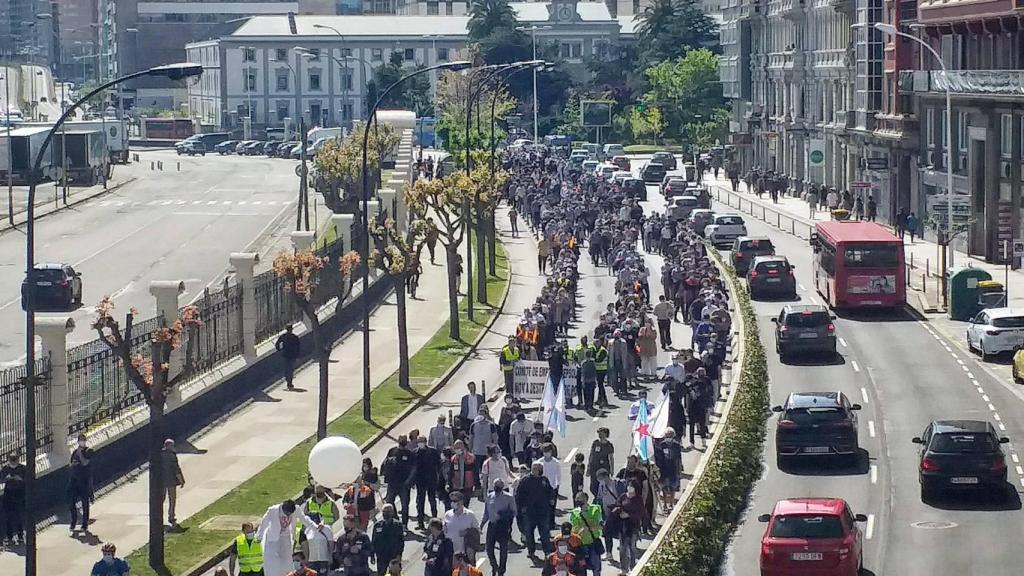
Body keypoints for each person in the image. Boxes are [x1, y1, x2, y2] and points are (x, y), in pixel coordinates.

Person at [256, 499, 321, 576]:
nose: (288, 515)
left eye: (290, 514)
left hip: (285, 536)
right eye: (287, 513)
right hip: (272, 538)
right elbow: (264, 522)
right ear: (283, 508)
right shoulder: (273, 510)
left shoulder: (296, 509)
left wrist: (315, 527)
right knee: (272, 562)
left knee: (287, 560)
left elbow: (304, 519)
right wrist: (259, 536)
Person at [515, 462, 554, 558]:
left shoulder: (544, 480)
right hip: (530, 512)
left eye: (538, 468)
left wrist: (551, 499)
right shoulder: (525, 480)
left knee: (544, 533)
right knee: (529, 533)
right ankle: (531, 551)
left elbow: (550, 491)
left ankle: (547, 552)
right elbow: (519, 496)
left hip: (543, 512)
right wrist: (521, 508)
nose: (536, 470)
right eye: (535, 468)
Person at [480, 478, 516, 576]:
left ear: (503, 486)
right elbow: (486, 513)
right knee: (489, 549)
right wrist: (481, 525)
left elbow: (514, 512)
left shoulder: (509, 497)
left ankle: (501, 570)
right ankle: (494, 566)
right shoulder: (490, 497)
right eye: (495, 484)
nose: (497, 487)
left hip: (503, 526)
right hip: (492, 526)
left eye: (499, 485)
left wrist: (503, 514)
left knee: (503, 549)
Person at [612, 484, 646, 574]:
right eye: (629, 486)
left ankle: (633, 567)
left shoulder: (638, 499)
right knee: (623, 548)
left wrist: (629, 515)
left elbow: (641, 512)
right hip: (622, 526)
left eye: (632, 486)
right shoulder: (623, 496)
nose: (630, 488)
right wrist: (619, 512)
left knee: (632, 547)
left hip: (633, 526)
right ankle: (623, 568)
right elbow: (617, 505)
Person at [383, 435, 416, 526]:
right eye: (401, 439)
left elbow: (413, 468)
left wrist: (409, 481)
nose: (402, 441)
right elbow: (385, 463)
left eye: (404, 439)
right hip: (392, 483)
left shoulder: (409, 454)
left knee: (404, 505)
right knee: (389, 502)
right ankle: (395, 518)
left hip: (404, 484)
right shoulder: (392, 451)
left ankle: (404, 524)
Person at [569, 492, 604, 576]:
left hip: (593, 543)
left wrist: (589, 528)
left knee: (596, 568)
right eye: (577, 499)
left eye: (580, 499)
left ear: (585, 499)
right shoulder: (574, 512)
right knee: (581, 569)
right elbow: (573, 530)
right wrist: (579, 532)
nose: (578, 501)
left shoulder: (596, 509)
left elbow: (601, 526)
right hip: (580, 545)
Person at [443, 491, 480, 563]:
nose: (453, 503)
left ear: (461, 501)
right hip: (451, 553)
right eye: (452, 501)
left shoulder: (469, 515)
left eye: (455, 501)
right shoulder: (448, 514)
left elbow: (477, 531)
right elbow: (444, 530)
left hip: (465, 552)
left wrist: (467, 532)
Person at [414, 435, 442, 529]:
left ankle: (434, 521)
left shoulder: (433, 452)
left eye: (421, 441)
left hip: (431, 480)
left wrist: (439, 479)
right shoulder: (415, 452)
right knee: (420, 502)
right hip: (420, 481)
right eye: (419, 441)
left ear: (425, 442)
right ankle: (420, 522)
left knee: (432, 500)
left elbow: (439, 465)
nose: (420, 443)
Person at [68, 433, 94, 534]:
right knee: (70, 502)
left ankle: (84, 524)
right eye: (80, 440)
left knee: (84, 503)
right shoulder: (74, 452)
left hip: (84, 480)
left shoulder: (88, 451)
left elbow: (85, 463)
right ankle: (74, 520)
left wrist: (80, 454)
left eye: (83, 439)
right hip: (74, 480)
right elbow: (71, 464)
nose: (81, 441)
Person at [654, 428, 683, 513]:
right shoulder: (661, 445)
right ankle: (665, 504)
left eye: (670, 435)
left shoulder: (677, 445)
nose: (669, 437)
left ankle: (671, 503)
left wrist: (679, 470)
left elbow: (679, 458)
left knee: (673, 486)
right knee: (664, 487)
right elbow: (659, 458)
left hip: (673, 468)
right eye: (667, 435)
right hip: (664, 469)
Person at [372, 504, 405, 576]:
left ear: (392, 512)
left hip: (393, 556)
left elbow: (401, 541)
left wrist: (399, 555)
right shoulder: (377, 525)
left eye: (388, 511)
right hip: (381, 557)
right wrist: (372, 555)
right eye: (384, 511)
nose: (386, 513)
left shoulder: (397, 525)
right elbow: (374, 541)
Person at [1, 451, 26, 546]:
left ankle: (20, 535)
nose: (13, 462)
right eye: (11, 460)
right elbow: (1, 479)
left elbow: (27, 479)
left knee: (18, 515)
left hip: (18, 494)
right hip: (8, 494)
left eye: (14, 460)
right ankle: (9, 536)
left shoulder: (22, 468)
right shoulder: (6, 468)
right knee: (8, 516)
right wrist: (6, 478)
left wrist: (20, 479)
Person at [160, 438, 185, 527]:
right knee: (172, 499)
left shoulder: (159, 454)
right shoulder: (172, 455)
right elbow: (176, 469)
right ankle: (171, 516)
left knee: (160, 500)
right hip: (171, 481)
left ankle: (159, 517)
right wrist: (181, 480)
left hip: (161, 481)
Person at [587, 428, 615, 498]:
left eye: (601, 433)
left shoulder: (609, 445)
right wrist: (588, 467)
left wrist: (612, 469)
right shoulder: (595, 443)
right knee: (593, 486)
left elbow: (611, 458)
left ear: (605, 434)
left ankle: (602, 498)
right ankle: (596, 497)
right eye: (599, 433)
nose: (599, 435)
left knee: (604, 485)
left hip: (604, 468)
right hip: (594, 467)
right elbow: (591, 455)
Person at [274, 324, 301, 390]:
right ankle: (289, 383)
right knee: (290, 369)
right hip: (292, 355)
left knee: (287, 369)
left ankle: (288, 382)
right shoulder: (295, 337)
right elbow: (298, 348)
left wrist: (279, 350)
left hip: (285, 355)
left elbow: (277, 344)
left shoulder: (283, 336)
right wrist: (297, 356)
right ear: (292, 329)